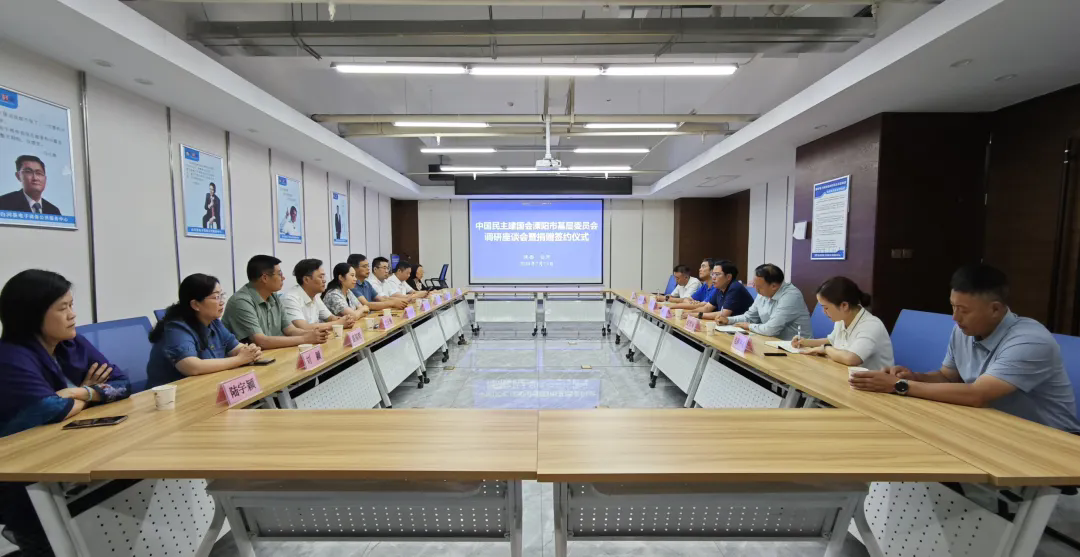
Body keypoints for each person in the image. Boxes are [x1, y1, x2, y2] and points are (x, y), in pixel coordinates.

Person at [851, 264, 1080, 432]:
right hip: (994, 425)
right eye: (953, 307)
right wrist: (913, 377)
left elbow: (977, 395)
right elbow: (947, 377)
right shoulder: (962, 331)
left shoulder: (1030, 341)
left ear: (995, 309)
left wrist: (899, 386)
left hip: (1050, 439)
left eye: (964, 310)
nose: (955, 317)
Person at [0, 270, 131, 555]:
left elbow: (122, 383)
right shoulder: (10, 356)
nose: (72, 314)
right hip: (27, 475)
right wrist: (90, 393)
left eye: (71, 305)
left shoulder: (71, 343)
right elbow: (49, 408)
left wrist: (79, 393)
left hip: (72, 453)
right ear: (32, 314)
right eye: (63, 308)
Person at [146, 274, 262, 389]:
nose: (222, 302)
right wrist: (239, 359)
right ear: (195, 304)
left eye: (221, 295)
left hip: (207, 386)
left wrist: (250, 351)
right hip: (173, 395)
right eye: (216, 297)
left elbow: (235, 348)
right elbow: (192, 366)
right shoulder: (177, 328)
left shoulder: (214, 323)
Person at [222, 255, 330, 349]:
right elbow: (261, 341)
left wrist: (314, 334)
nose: (283, 278)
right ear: (265, 278)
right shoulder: (241, 301)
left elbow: (290, 330)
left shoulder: (273, 296)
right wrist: (305, 338)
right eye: (279, 274)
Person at [793, 276, 894, 370]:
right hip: (845, 374)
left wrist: (826, 349)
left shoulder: (871, 325)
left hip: (872, 381)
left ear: (844, 305)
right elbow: (831, 340)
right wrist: (805, 342)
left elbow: (851, 359)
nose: (824, 312)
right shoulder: (842, 319)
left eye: (826, 308)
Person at [716, 263, 811, 341]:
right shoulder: (763, 293)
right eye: (755, 285)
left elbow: (771, 329)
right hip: (771, 342)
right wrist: (728, 320)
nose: (756, 290)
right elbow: (749, 317)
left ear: (773, 286)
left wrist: (749, 326)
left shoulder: (791, 296)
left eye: (759, 287)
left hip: (797, 347)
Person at [282, 259, 356, 331]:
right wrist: (338, 323)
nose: (324, 280)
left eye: (324, 277)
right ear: (306, 280)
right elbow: (304, 327)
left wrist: (345, 320)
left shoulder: (315, 295)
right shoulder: (290, 299)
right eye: (320, 277)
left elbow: (330, 318)